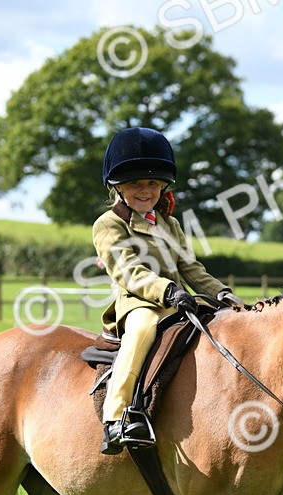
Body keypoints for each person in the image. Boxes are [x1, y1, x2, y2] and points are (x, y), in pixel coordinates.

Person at [92, 127, 244, 455]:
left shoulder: (170, 225)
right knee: (144, 327)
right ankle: (116, 418)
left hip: (178, 302)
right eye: (135, 184)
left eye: (152, 183)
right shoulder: (108, 224)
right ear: (118, 187)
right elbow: (129, 271)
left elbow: (192, 268)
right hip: (138, 304)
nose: (145, 190)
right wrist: (168, 290)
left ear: (162, 186)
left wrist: (222, 294)